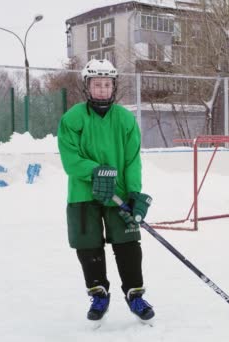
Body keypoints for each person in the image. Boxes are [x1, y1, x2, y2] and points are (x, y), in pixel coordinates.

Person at [57, 59, 155, 323]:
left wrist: (134, 193)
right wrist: (96, 171)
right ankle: (99, 293)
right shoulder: (73, 118)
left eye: (107, 85)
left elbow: (133, 159)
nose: (102, 89)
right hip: (83, 194)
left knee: (127, 243)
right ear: (87, 86)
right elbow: (70, 158)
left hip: (118, 194)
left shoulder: (124, 119)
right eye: (97, 84)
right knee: (88, 245)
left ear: (114, 87)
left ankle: (135, 295)